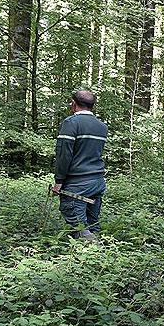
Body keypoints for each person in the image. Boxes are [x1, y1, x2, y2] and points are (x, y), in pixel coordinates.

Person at [52, 90, 108, 240]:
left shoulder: (71, 123)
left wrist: (59, 181)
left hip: (77, 184)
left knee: (79, 228)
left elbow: (64, 154)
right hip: (97, 182)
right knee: (91, 225)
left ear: (74, 104)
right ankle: (94, 260)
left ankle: (99, 253)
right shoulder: (102, 127)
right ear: (93, 106)